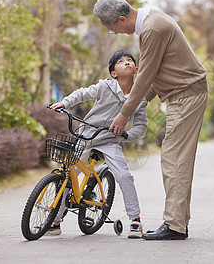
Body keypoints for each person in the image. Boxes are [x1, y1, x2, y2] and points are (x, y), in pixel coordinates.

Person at [93, 0, 208, 240]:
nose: (116, 33)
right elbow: (156, 74)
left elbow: (145, 75)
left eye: (113, 29)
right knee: (176, 160)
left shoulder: (152, 30)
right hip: (184, 95)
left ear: (122, 19)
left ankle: (175, 226)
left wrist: (125, 113)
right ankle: (178, 222)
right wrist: (139, 103)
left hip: (185, 96)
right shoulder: (153, 22)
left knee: (174, 160)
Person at [47, 50, 148, 239]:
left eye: (130, 61)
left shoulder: (139, 98)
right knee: (69, 172)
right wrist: (65, 103)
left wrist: (126, 135)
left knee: (124, 176)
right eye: (121, 61)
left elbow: (142, 126)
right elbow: (83, 93)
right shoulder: (105, 87)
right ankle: (54, 219)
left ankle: (135, 221)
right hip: (86, 135)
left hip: (109, 141)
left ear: (136, 69)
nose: (127, 62)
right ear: (113, 73)